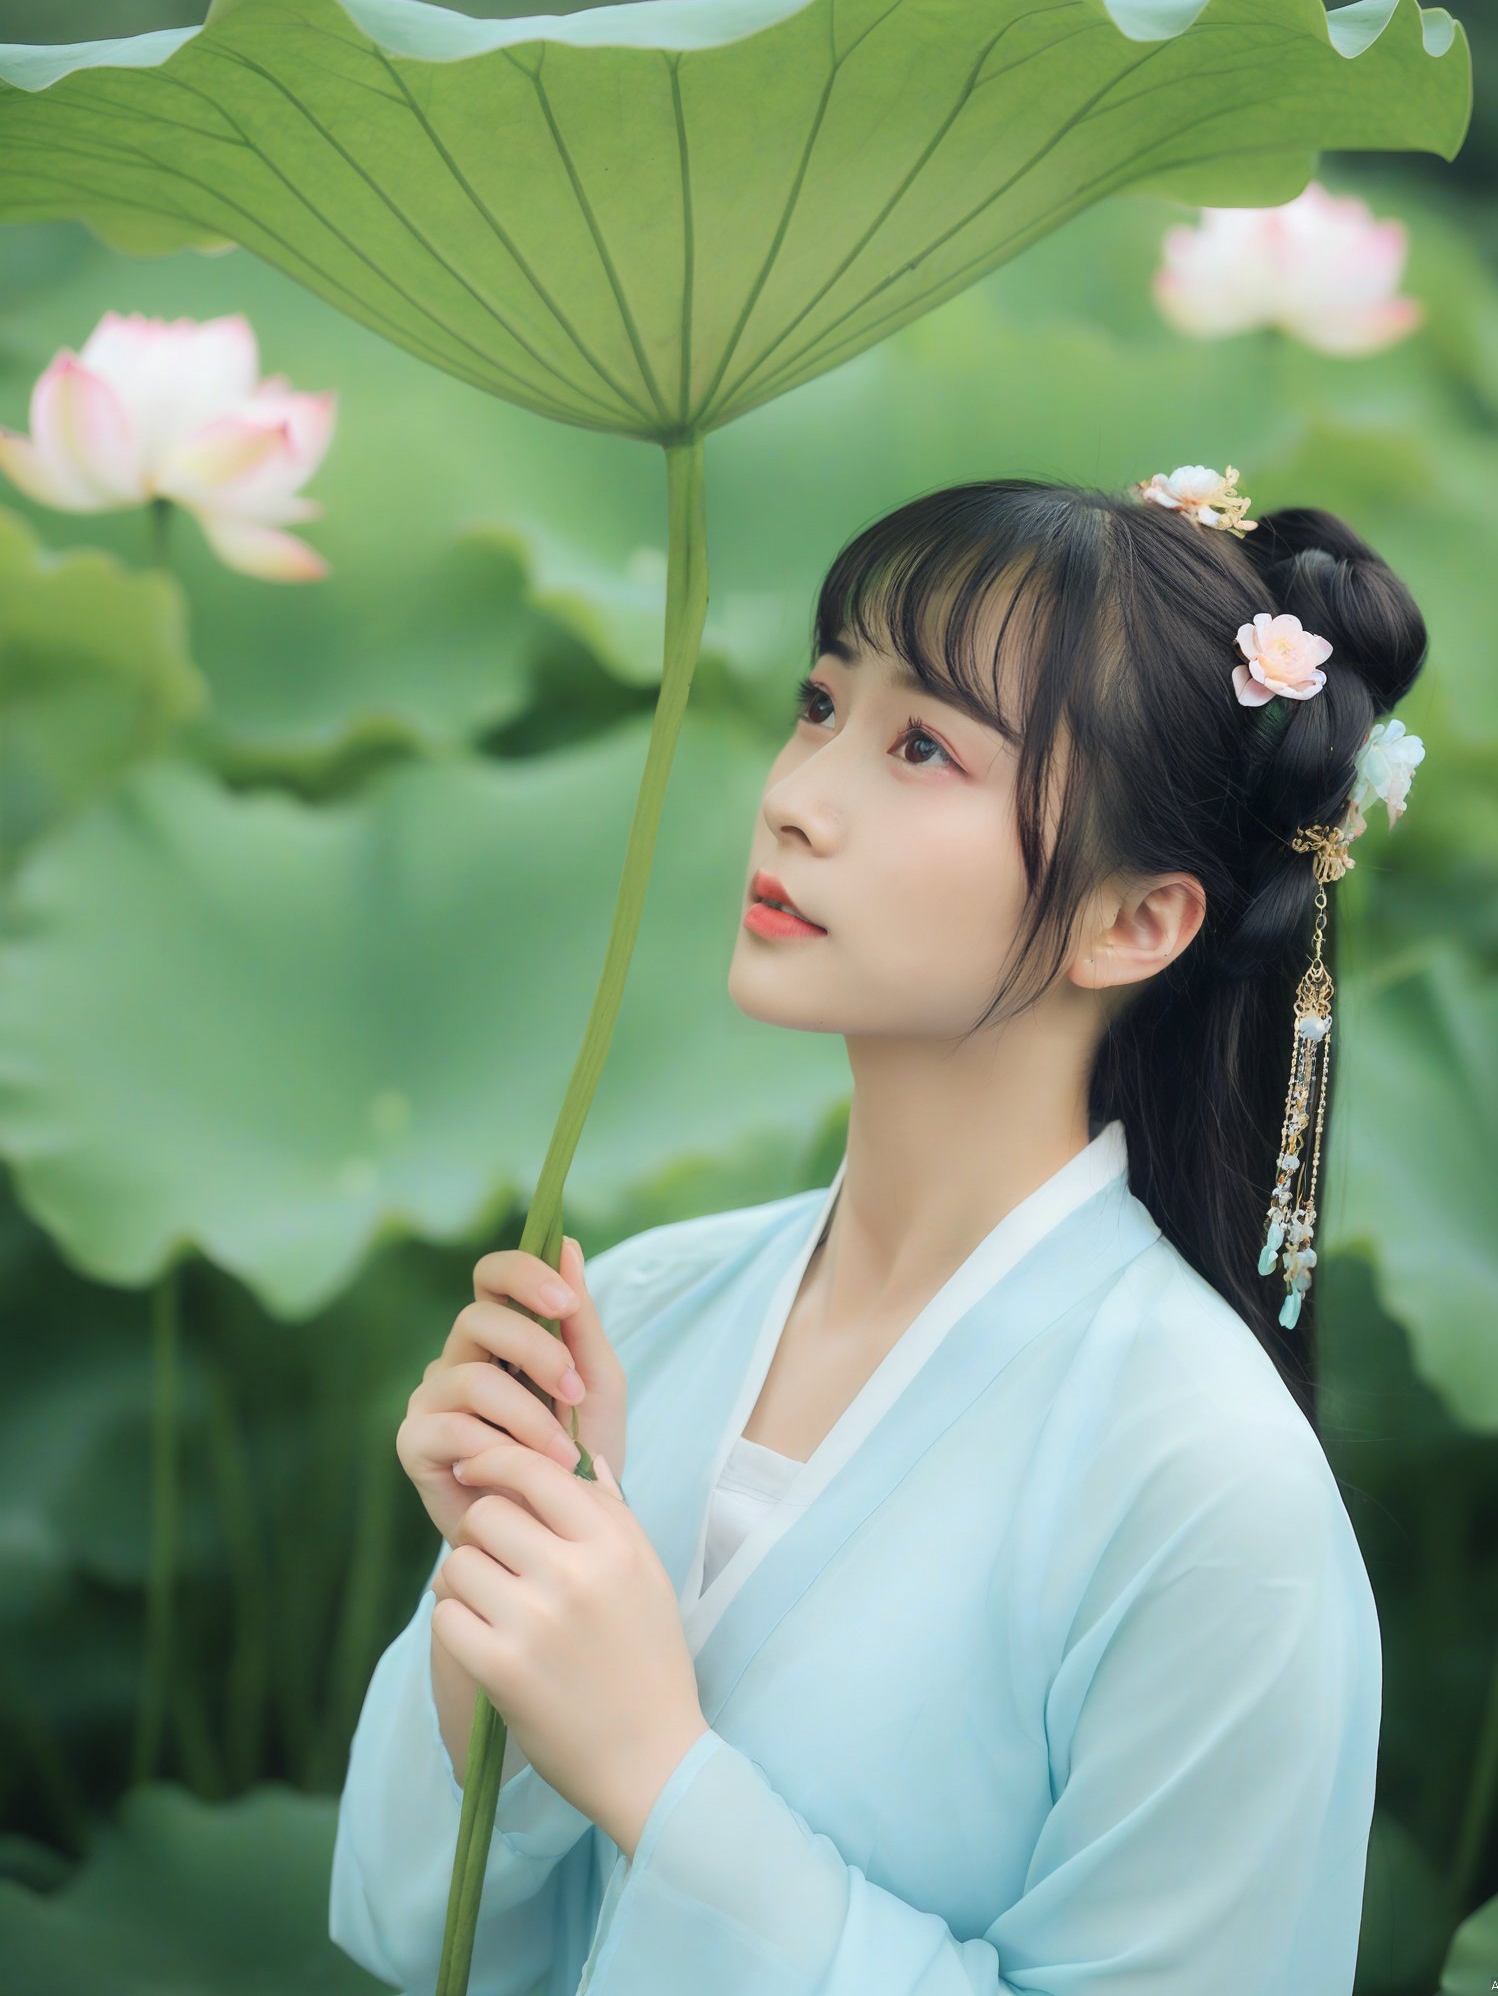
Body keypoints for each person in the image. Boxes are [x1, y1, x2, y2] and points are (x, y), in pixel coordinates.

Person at [331, 470, 1419, 1995]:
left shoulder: (1213, 1494)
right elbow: (403, 1935)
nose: (794, 792)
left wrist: (657, 1769)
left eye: (921, 746)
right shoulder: (640, 1306)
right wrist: (493, 1638)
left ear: (1137, 922)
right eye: (821, 703)